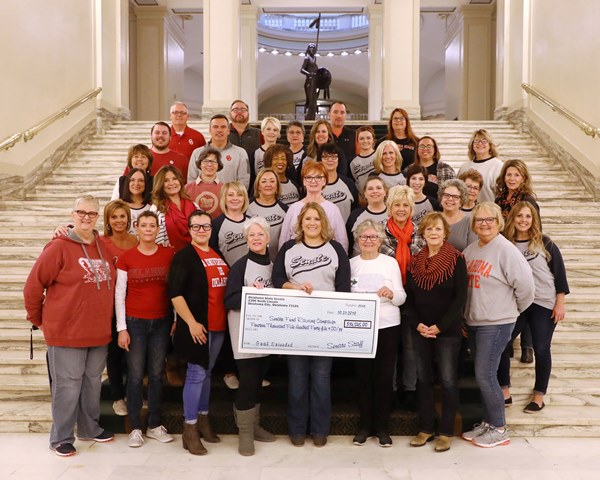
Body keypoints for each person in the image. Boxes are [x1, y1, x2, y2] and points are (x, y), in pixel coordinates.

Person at [24, 195, 115, 457]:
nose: (86, 217)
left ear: (98, 217)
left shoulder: (103, 246)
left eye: (92, 213)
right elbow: (33, 286)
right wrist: (38, 319)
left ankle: (89, 427)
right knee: (67, 386)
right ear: (72, 214)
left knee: (92, 383)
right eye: (81, 212)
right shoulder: (58, 247)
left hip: (98, 332)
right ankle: (61, 437)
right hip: (66, 333)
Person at [273, 202, 351, 447]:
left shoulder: (336, 249)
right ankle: (296, 430)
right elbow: (277, 280)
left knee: (320, 377)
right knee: (296, 377)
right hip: (296, 323)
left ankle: (320, 430)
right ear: (300, 223)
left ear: (324, 222)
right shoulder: (289, 248)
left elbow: (344, 287)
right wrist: (294, 287)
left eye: (317, 219)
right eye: (307, 219)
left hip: (325, 325)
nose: (312, 223)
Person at [461, 202, 535, 448]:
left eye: (489, 219)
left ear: (498, 222)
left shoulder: (506, 250)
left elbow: (526, 289)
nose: (484, 223)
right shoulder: (471, 251)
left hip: (496, 323)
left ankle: (500, 428)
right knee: (482, 375)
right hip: (474, 322)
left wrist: (509, 313)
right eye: (479, 220)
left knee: (485, 374)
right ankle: (488, 422)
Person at [498, 202, 569, 413]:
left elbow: (559, 274)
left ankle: (539, 395)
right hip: (516, 303)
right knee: (502, 344)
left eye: (527, 216)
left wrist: (560, 302)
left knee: (541, 348)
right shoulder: (505, 243)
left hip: (543, 303)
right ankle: (504, 391)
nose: (523, 220)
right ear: (512, 218)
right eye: (519, 216)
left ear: (533, 219)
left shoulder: (545, 243)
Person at [169, 210, 230, 455]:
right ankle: (190, 428)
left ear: (211, 229)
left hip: (218, 326)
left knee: (207, 373)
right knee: (196, 373)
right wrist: (192, 323)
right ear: (190, 230)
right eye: (197, 227)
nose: (202, 230)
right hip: (197, 327)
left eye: (206, 226)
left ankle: (203, 419)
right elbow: (175, 293)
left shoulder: (217, 253)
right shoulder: (184, 256)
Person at [405, 212, 467, 453]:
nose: (433, 233)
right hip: (420, 330)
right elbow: (409, 297)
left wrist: (440, 326)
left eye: (438, 229)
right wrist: (417, 324)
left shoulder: (456, 259)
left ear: (445, 233)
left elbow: (460, 297)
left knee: (449, 382)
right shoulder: (415, 261)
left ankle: (445, 431)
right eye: (429, 229)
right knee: (424, 380)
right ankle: (426, 428)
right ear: (423, 232)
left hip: (447, 331)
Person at [115, 210, 175, 448]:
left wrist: (176, 319)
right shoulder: (126, 257)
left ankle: (154, 425)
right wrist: (121, 328)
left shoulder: (168, 254)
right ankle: (135, 428)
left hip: (161, 322)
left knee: (157, 375)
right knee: (136, 376)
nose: (149, 229)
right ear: (136, 228)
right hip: (135, 322)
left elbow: (175, 289)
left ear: (157, 229)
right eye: (144, 225)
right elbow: (119, 294)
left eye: (153, 225)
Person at [224, 217, 277, 455]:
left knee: (258, 382)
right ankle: (244, 434)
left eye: (260, 234)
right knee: (247, 383)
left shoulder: (274, 267)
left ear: (268, 238)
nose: (256, 239)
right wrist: (250, 293)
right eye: (251, 235)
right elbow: (230, 300)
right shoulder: (240, 266)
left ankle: (254, 426)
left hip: (266, 334)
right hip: (244, 334)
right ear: (246, 240)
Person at [350, 220, 405, 447]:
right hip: (359, 327)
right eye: (364, 237)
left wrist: (391, 293)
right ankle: (364, 426)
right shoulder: (351, 264)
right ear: (357, 241)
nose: (369, 241)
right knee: (363, 378)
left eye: (373, 237)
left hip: (387, 325)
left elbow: (402, 297)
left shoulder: (390, 263)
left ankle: (382, 427)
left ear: (381, 240)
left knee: (383, 379)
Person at [379, 185, 420, 409]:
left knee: (411, 346)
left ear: (412, 208)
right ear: (389, 207)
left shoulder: (421, 232)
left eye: (405, 205)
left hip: (414, 297)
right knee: (390, 347)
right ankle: (391, 389)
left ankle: (411, 389)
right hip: (387, 297)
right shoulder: (379, 232)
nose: (401, 209)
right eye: (397, 205)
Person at [100, 200, 138, 416]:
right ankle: (117, 397)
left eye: (122, 216)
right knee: (113, 352)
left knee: (135, 351)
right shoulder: (102, 242)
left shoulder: (136, 240)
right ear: (108, 220)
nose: (118, 221)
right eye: (114, 217)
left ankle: (135, 393)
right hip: (110, 305)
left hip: (134, 303)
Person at [279, 161, 349, 252]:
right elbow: (283, 241)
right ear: (303, 181)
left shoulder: (333, 209)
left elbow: (342, 241)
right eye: (308, 177)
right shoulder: (294, 208)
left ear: (324, 181)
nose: (313, 181)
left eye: (318, 177)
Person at [188, 114, 250, 189]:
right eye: (215, 127)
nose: (219, 130)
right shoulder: (197, 153)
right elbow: (191, 182)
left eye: (223, 127)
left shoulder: (240, 153)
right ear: (210, 130)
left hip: (230, 199)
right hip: (203, 199)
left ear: (228, 131)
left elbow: (244, 182)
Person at [150, 165, 197, 251]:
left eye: (175, 179)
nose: (171, 183)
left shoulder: (194, 205)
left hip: (195, 254)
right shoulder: (156, 209)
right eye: (166, 180)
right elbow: (156, 241)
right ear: (160, 184)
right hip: (169, 256)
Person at [247, 168, 288, 261]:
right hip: (253, 261)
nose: (268, 185)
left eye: (272, 181)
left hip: (277, 261)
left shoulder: (285, 210)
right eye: (264, 181)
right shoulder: (246, 208)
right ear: (257, 186)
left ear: (277, 186)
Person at [210, 181, 251, 267]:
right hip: (226, 273)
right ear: (224, 198)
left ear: (245, 198)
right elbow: (213, 253)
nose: (235, 198)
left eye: (239, 194)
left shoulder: (252, 222)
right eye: (230, 195)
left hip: (251, 272)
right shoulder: (216, 224)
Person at [346, 176, 389, 257]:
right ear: (365, 193)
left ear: (385, 192)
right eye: (370, 189)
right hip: (360, 263)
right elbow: (348, 242)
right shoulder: (355, 215)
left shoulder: (393, 213)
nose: (375, 191)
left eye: (378, 188)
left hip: (386, 263)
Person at [457, 129, 503, 203]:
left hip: (489, 211)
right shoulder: (464, 167)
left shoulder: (498, 166)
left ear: (490, 145)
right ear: (472, 145)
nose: (480, 143)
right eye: (476, 141)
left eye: (484, 141)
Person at [318, 142, 358, 222]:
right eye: (325, 157)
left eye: (333, 156)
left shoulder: (348, 183)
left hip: (345, 232)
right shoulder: (314, 184)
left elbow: (355, 209)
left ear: (339, 160)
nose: (330, 160)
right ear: (320, 160)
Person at [184, 147, 225, 218]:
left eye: (213, 161)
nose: (209, 165)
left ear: (218, 165)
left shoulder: (225, 188)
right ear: (200, 164)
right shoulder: (187, 188)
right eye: (205, 161)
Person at [438, 179, 478, 251]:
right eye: (446, 195)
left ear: (461, 201)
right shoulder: (433, 219)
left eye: (455, 197)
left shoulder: (470, 223)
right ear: (441, 198)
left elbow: (472, 251)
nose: (450, 199)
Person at [250, 116, 281, 189]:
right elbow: (252, 178)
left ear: (278, 133)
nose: (271, 132)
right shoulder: (255, 153)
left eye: (275, 130)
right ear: (262, 131)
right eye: (268, 129)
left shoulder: (283, 152)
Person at [406, 164, 440, 229]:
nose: (417, 182)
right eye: (413, 178)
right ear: (408, 180)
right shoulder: (402, 202)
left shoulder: (434, 203)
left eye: (421, 179)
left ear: (425, 182)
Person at [119, 168, 152, 233]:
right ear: (128, 183)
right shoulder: (119, 206)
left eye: (141, 180)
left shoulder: (152, 208)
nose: (136, 183)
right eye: (132, 180)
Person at [349, 125, 377, 196]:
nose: (365, 141)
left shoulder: (379, 155)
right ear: (357, 141)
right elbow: (357, 182)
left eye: (368, 138)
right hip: (364, 198)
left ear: (373, 140)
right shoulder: (353, 163)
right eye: (361, 138)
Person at [329, 101, 356, 165]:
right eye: (335, 112)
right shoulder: (324, 135)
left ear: (346, 115)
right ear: (329, 115)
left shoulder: (353, 134)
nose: (339, 115)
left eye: (342, 112)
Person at [300, 43, 318, 116]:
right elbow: (302, 70)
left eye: (314, 48)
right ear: (308, 48)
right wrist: (309, 74)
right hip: (309, 82)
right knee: (311, 101)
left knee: (314, 101)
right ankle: (309, 116)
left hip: (314, 81)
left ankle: (312, 115)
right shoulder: (307, 58)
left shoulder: (315, 58)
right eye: (311, 47)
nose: (312, 49)